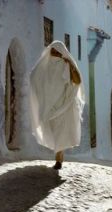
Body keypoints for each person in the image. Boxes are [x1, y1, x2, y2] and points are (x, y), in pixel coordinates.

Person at [30, 40, 85, 169]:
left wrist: (70, 65)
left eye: (57, 51)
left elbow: (77, 81)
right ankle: (58, 155)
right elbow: (34, 77)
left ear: (62, 52)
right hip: (49, 106)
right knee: (53, 132)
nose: (54, 53)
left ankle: (59, 159)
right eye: (52, 51)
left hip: (63, 105)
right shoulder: (45, 65)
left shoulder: (66, 65)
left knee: (60, 133)